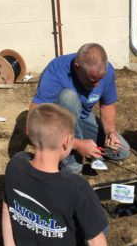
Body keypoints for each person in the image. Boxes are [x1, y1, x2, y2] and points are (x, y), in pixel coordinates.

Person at [2, 103, 122, 246]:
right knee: (101, 226)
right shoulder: (77, 187)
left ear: (30, 133)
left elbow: (7, 208)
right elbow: (96, 240)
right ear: (68, 142)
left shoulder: (15, 164)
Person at [30, 43, 130, 173]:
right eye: (92, 80)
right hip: (56, 125)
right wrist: (77, 145)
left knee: (122, 151)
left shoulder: (107, 71)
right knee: (68, 97)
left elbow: (107, 104)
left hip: (83, 118)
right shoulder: (56, 72)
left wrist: (110, 132)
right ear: (77, 67)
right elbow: (33, 124)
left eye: (100, 79)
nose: (97, 84)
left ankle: (83, 145)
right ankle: (72, 168)